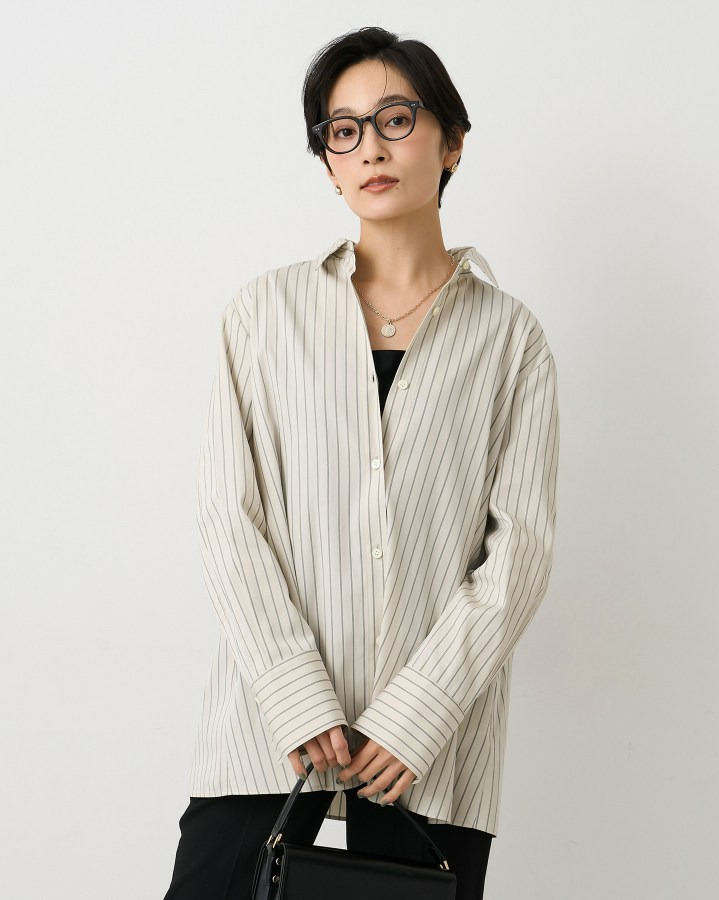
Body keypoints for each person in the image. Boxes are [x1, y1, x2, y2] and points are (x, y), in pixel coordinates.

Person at [163, 25, 560, 900]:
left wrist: (422, 710)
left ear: (453, 143)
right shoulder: (263, 315)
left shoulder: (510, 340)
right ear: (329, 164)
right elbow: (228, 516)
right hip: (268, 734)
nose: (371, 147)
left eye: (396, 119)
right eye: (343, 131)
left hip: (429, 752)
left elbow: (520, 552)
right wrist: (292, 690)